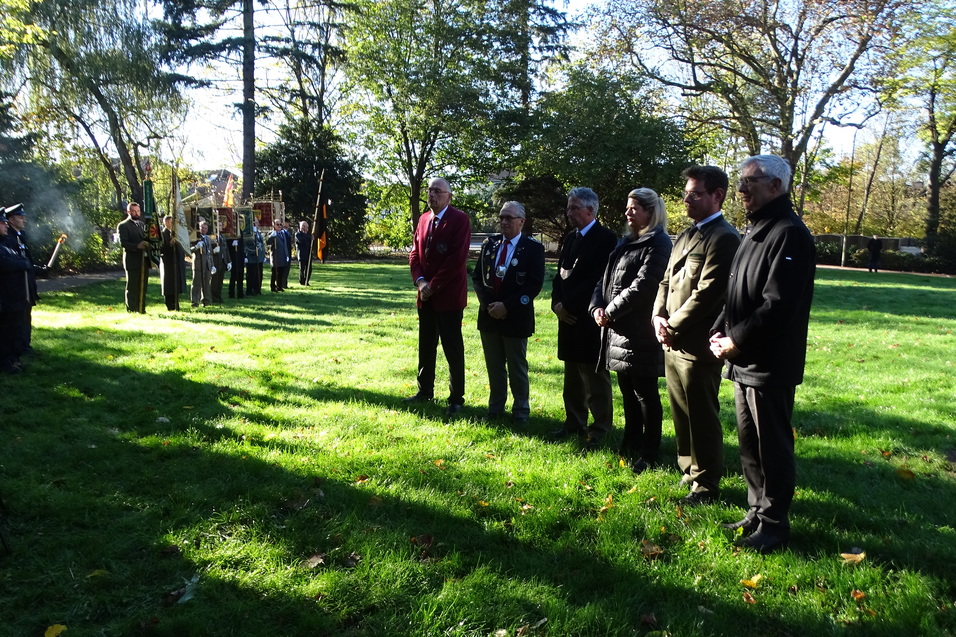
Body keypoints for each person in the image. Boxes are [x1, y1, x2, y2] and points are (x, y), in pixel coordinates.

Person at [710, 154, 815, 553]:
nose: (741, 189)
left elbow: (778, 305)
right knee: (750, 444)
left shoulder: (789, 233)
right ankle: (756, 511)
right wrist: (719, 329)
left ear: (776, 186)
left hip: (769, 363)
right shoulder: (756, 229)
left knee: (773, 448)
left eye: (750, 182)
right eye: (740, 181)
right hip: (743, 359)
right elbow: (737, 291)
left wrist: (735, 340)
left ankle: (774, 525)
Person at [652, 166, 740, 504]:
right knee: (680, 412)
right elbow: (665, 280)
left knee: (701, 415)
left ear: (717, 196)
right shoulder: (687, 235)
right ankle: (688, 471)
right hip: (672, 340)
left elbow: (708, 293)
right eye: (686, 193)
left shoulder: (724, 237)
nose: (687, 199)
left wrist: (671, 326)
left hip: (696, 343)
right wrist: (657, 317)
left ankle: (706, 484)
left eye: (695, 193)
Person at [590, 188, 672, 471]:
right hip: (618, 329)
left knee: (645, 393)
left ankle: (650, 452)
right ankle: (630, 442)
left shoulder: (658, 243)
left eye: (634, 208)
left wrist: (610, 311)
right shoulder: (625, 242)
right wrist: (596, 307)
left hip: (640, 332)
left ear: (650, 212)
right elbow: (604, 279)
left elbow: (644, 285)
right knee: (627, 392)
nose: (628, 212)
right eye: (628, 207)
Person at [550, 187, 617, 450]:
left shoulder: (605, 239)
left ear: (590, 210)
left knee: (594, 376)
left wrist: (568, 305)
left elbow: (595, 280)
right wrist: (557, 305)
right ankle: (574, 422)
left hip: (588, 317)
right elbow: (560, 275)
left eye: (574, 208)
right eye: (568, 207)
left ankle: (600, 428)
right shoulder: (570, 238)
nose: (569, 213)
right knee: (572, 376)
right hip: (566, 318)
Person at [471, 201, 545, 425]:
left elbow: (533, 285)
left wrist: (507, 307)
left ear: (521, 221)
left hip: (516, 318)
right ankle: (495, 409)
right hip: (489, 316)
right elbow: (478, 278)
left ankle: (521, 411)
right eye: (502, 217)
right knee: (494, 367)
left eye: (509, 218)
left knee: (516, 366)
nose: (504, 221)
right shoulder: (490, 244)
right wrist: (489, 306)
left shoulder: (533, 248)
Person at [405, 177, 471, 416]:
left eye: (437, 191)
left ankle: (456, 398)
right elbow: (415, 254)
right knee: (426, 345)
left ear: (449, 196)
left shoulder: (459, 220)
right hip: (426, 297)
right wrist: (421, 282)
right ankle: (425, 391)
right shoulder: (424, 219)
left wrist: (433, 285)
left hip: (448, 297)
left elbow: (456, 259)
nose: (431, 195)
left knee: (452, 348)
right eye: (429, 190)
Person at [1, 204, 43, 363]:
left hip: (23, 287)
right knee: (12, 326)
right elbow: (7, 262)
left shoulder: (19, 237)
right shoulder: (8, 239)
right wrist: (22, 265)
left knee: (22, 321)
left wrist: (36, 269)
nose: (24, 220)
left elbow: (25, 260)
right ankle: (11, 357)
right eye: (20, 217)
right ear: (11, 219)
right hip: (12, 291)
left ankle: (21, 350)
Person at [117, 202, 149, 313]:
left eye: (138, 211)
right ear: (128, 212)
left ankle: (141, 308)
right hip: (132, 260)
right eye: (134, 211)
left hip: (143, 260)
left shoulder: (142, 225)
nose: (136, 213)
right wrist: (137, 246)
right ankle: (132, 309)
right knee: (132, 286)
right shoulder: (123, 225)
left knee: (143, 285)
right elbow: (124, 243)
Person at [159, 215, 187, 311]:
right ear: (166, 223)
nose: (173, 224)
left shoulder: (175, 234)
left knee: (175, 284)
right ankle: (169, 305)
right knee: (169, 285)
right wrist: (170, 244)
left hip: (176, 262)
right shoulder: (163, 234)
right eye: (171, 222)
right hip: (168, 263)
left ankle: (176, 304)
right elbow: (161, 249)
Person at [190, 219, 214, 307]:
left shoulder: (208, 239)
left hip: (207, 265)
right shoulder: (195, 238)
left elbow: (210, 253)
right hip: (198, 264)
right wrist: (196, 246)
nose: (203, 230)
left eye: (205, 228)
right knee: (197, 284)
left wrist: (212, 265)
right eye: (202, 228)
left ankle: (206, 301)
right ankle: (195, 302)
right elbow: (189, 250)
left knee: (206, 284)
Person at [267, 220, 290, 292]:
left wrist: (287, 255)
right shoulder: (271, 233)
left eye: (280, 224)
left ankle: (279, 286)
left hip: (282, 256)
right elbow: (268, 242)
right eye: (277, 224)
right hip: (276, 256)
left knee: (281, 273)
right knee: (274, 273)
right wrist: (272, 236)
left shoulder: (282, 233)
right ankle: (273, 287)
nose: (279, 226)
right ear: (274, 225)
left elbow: (285, 245)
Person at [245, 219, 265, 296]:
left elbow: (262, 244)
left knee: (259, 274)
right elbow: (248, 243)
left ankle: (257, 289)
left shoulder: (258, 232)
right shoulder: (249, 233)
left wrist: (263, 255)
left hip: (259, 257)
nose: (258, 224)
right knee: (251, 275)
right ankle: (250, 290)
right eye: (256, 223)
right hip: (252, 257)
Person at [210, 228, 229, 304]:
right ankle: (215, 298)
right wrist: (213, 251)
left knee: (220, 281)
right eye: (218, 225)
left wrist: (229, 261)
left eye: (220, 225)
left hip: (222, 261)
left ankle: (219, 295)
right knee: (215, 281)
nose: (220, 227)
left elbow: (226, 249)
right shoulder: (212, 236)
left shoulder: (222, 236)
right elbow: (208, 249)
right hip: (216, 261)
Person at [228, 235, 246, 299]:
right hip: (234, 257)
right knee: (233, 276)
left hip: (240, 257)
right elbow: (227, 244)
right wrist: (231, 244)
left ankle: (240, 293)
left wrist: (244, 256)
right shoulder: (231, 232)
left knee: (240, 276)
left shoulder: (240, 232)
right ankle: (231, 293)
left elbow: (242, 245)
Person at [295, 220, 312, 285]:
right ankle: (302, 281)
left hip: (308, 254)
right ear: (301, 227)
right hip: (302, 254)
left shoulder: (308, 235)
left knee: (309, 269)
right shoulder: (297, 234)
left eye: (307, 227)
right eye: (304, 226)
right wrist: (305, 234)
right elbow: (302, 241)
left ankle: (306, 281)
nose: (305, 228)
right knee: (302, 269)